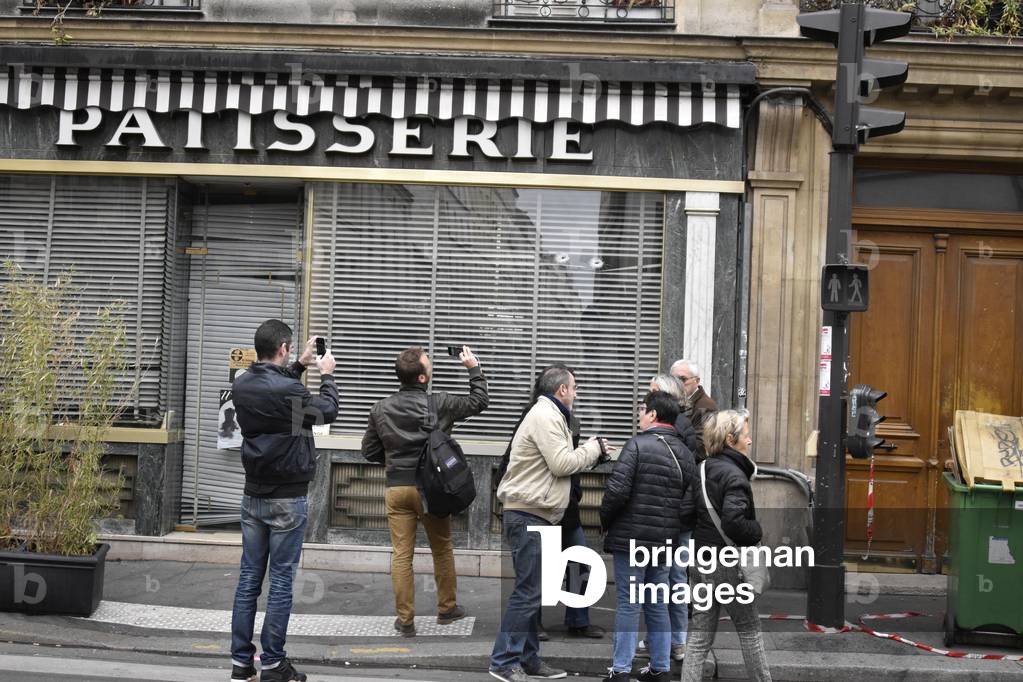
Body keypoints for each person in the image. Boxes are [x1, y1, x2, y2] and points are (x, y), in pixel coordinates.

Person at [229, 320, 339, 682]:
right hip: (287, 498)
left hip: (252, 495)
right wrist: (325, 374)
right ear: (283, 347)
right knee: (279, 581)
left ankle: (242, 664)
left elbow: (281, 397)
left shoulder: (242, 383)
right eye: (290, 351)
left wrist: (300, 364)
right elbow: (325, 412)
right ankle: (274, 663)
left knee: (248, 579)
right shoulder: (288, 391)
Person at [490, 365, 613, 682]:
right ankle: (503, 661)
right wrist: (593, 448)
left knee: (532, 591)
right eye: (574, 387)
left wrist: (590, 451)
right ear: (562, 390)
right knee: (528, 592)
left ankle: (529, 659)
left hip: (540, 513)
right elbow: (561, 464)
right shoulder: (545, 416)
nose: (576, 392)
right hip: (529, 513)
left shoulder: (552, 415)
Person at [361, 345, 489, 637]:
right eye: (428, 365)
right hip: (431, 491)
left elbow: (368, 450)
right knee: (441, 548)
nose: (430, 367)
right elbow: (480, 401)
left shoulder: (380, 408)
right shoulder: (439, 403)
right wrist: (473, 368)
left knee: (401, 555)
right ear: (421, 378)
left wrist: (394, 461)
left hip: (397, 489)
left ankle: (405, 620)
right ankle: (447, 609)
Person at [599, 391, 696, 682]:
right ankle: (660, 669)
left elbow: (616, 492)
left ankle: (621, 670)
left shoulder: (636, 446)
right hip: (666, 542)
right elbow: (690, 505)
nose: (640, 414)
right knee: (657, 602)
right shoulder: (686, 454)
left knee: (629, 602)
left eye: (642, 410)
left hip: (631, 539)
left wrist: (605, 520)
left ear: (653, 415)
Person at [680, 410, 772, 682]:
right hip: (728, 565)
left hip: (701, 560)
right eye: (746, 435)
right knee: (750, 632)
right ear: (731, 439)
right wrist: (757, 530)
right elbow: (734, 524)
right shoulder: (736, 477)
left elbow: (684, 514)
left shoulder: (702, 468)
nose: (750, 440)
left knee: (698, 640)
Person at [636, 374, 699, 663]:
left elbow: (686, 479)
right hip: (673, 518)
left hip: (673, 519)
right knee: (667, 580)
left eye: (652, 393)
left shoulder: (678, 428)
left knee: (670, 580)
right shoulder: (677, 426)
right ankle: (669, 640)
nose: (646, 399)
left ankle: (674, 641)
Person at [670, 359, 718, 425]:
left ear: (697, 381)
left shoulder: (706, 406)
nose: (678, 383)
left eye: (683, 379)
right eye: (674, 379)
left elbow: (702, 435)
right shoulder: (669, 400)